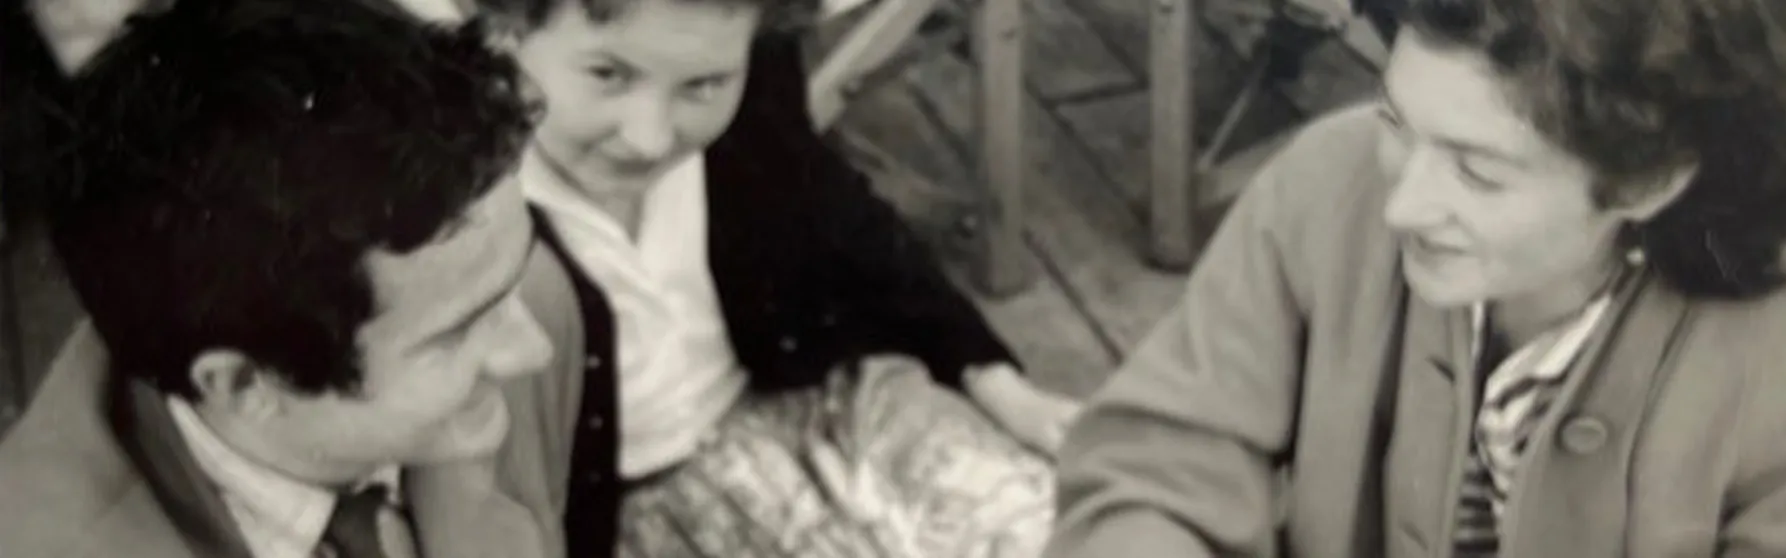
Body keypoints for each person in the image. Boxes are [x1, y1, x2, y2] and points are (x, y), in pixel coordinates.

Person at [1046, 0, 1786, 556]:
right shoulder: (1326, 180)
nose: (1402, 204)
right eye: (1394, 121)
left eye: (1478, 173)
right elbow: (1152, 466)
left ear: (1646, 181)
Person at [416, 0, 1079, 555]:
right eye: (607, 74)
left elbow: (845, 219)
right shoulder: (457, 199)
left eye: (703, 86)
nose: (650, 138)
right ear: (505, 32)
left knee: (1060, 530)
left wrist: (988, 376)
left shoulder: (749, 80)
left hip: (830, 396)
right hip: (644, 496)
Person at [0, 2, 556, 557]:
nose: (538, 349)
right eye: (453, 336)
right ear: (243, 384)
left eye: (515, 277)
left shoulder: (512, 291)